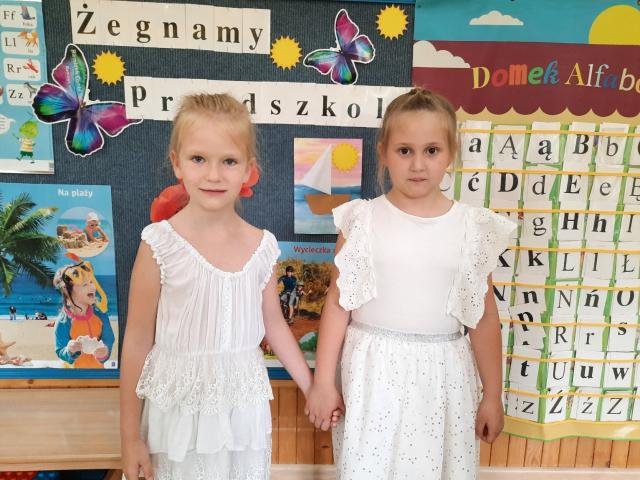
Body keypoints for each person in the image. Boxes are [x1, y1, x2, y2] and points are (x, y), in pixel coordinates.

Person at [119, 93, 334, 480]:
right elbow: (136, 341)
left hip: (241, 411)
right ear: (177, 162)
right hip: (178, 412)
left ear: (248, 169)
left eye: (229, 161)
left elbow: (274, 325)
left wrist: (312, 386)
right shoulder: (159, 244)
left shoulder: (262, 246)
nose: (214, 175)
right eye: (198, 159)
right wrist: (129, 438)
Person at [305, 87, 517, 479]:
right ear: (384, 153)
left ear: (451, 153)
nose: (418, 164)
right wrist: (322, 382)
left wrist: (492, 394)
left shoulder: (472, 227)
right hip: (372, 373)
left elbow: (484, 317)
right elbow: (337, 303)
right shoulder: (361, 220)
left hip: (444, 376)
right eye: (405, 151)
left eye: (431, 150)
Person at [53, 260, 114, 368]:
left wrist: (105, 351)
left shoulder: (101, 316)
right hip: (73, 373)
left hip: (97, 372)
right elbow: (60, 349)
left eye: (91, 282)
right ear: (68, 292)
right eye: (85, 284)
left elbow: (109, 339)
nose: (92, 287)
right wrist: (69, 351)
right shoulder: (63, 321)